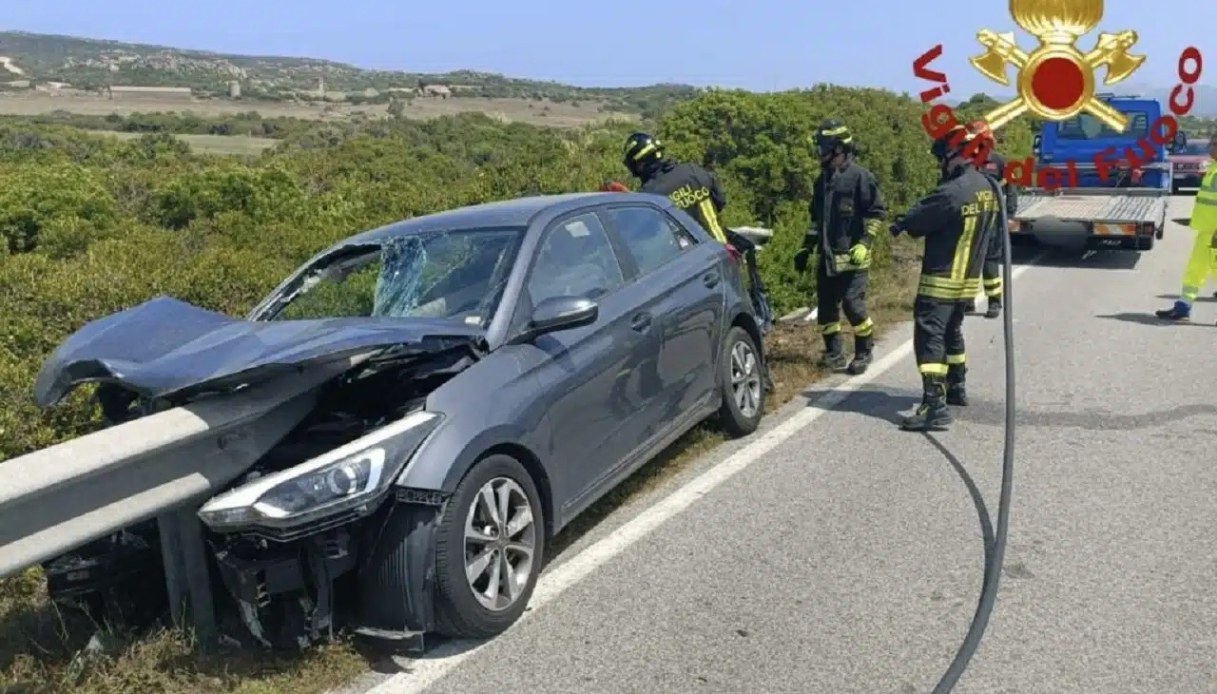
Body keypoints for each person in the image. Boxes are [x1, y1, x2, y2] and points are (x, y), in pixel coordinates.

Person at [889, 123, 1001, 431]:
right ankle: (957, 387)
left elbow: (917, 220)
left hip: (940, 281)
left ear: (953, 155)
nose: (940, 164)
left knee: (930, 339)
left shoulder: (951, 192)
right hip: (967, 282)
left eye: (942, 158)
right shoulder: (988, 187)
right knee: (953, 332)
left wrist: (898, 225)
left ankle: (934, 404)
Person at [793, 119, 886, 375]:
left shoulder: (860, 178)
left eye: (824, 148)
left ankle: (864, 351)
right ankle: (834, 353)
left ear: (839, 149)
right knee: (825, 310)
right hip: (828, 259)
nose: (820, 154)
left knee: (852, 306)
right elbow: (816, 221)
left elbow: (877, 213)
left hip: (855, 260)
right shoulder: (821, 181)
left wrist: (865, 243)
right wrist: (805, 248)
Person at [621, 132, 729, 243]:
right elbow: (720, 201)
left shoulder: (648, 196)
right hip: (723, 250)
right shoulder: (694, 171)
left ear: (639, 165)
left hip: (694, 258)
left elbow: (646, 235)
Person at [1155, 132, 1217, 322]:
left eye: (1214, 144)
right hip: (1207, 233)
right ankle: (1183, 306)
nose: (1210, 148)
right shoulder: (1213, 169)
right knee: (1194, 270)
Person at [962, 119, 1017, 319]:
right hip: (970, 219)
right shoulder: (965, 161)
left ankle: (994, 303)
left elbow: (1011, 190)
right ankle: (967, 301)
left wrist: (1010, 216)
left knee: (989, 262)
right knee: (968, 261)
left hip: (992, 221)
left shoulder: (999, 162)